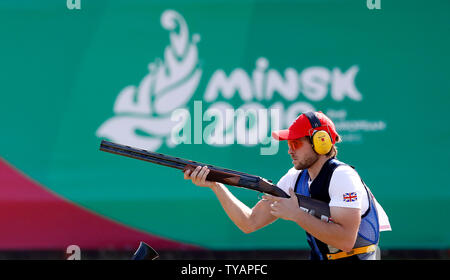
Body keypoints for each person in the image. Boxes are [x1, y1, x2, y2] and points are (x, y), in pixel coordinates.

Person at [184, 111, 391, 260]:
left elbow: (345, 241)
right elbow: (249, 223)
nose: (290, 150)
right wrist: (217, 186)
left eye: (296, 144)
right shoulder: (295, 177)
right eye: (288, 144)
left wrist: (297, 214)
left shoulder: (342, 176)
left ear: (321, 142)